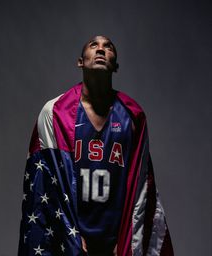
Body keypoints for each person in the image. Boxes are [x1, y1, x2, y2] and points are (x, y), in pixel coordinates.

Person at [18, 35, 174, 256]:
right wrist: (69, 234)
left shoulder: (133, 116)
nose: (101, 50)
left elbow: (140, 185)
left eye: (108, 47)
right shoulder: (55, 113)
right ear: (80, 61)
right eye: (94, 46)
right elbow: (45, 184)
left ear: (115, 65)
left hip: (115, 239)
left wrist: (127, 238)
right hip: (70, 234)